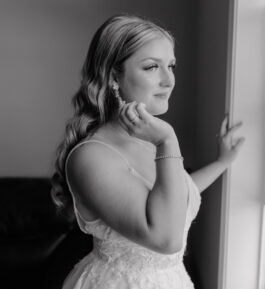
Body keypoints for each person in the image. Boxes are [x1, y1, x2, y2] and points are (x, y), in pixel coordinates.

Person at [51, 14, 244, 289]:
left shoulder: (143, 140)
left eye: (171, 65)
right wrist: (168, 139)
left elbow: (179, 193)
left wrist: (223, 162)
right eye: (152, 67)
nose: (169, 80)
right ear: (113, 76)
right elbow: (166, 238)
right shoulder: (90, 157)